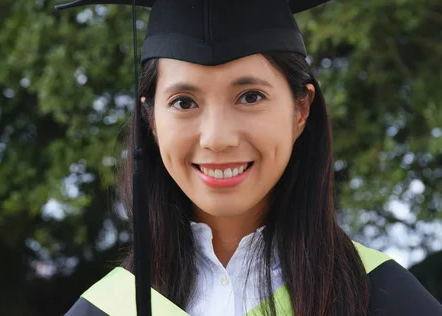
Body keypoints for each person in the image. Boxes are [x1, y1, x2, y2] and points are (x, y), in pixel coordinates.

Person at [55, 0, 442, 315]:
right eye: (183, 102)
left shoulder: (381, 297)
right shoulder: (109, 308)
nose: (218, 138)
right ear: (151, 118)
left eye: (250, 96)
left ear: (300, 109)